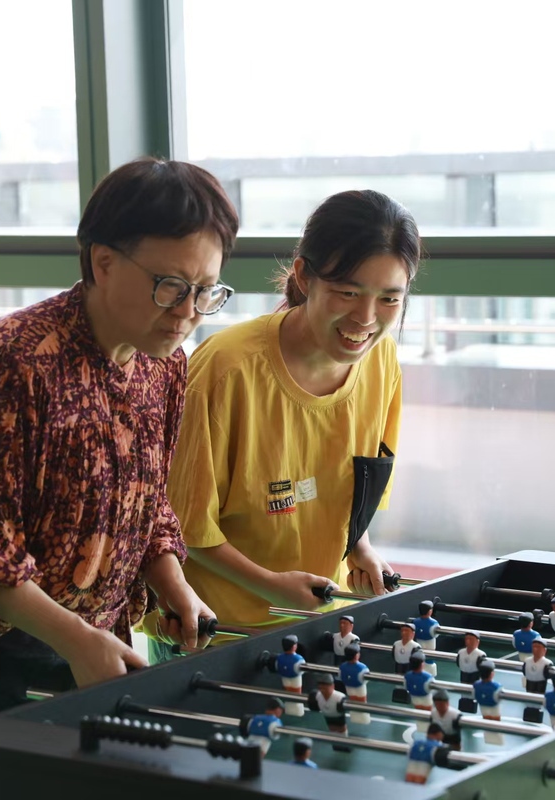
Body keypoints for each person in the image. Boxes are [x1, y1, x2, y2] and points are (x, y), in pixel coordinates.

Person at [0, 158, 234, 800]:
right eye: (170, 286)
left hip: (87, 639)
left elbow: (144, 502)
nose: (188, 313)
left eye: (207, 291)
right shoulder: (13, 361)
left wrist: (173, 582)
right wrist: (81, 639)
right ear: (102, 262)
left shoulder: (163, 367)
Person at [156, 189, 421, 629]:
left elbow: (352, 490)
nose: (365, 318)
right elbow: (181, 530)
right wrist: (269, 585)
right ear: (303, 276)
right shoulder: (225, 372)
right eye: (347, 292)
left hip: (323, 619)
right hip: (214, 630)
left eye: (389, 299)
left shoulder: (383, 361)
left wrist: (360, 548)